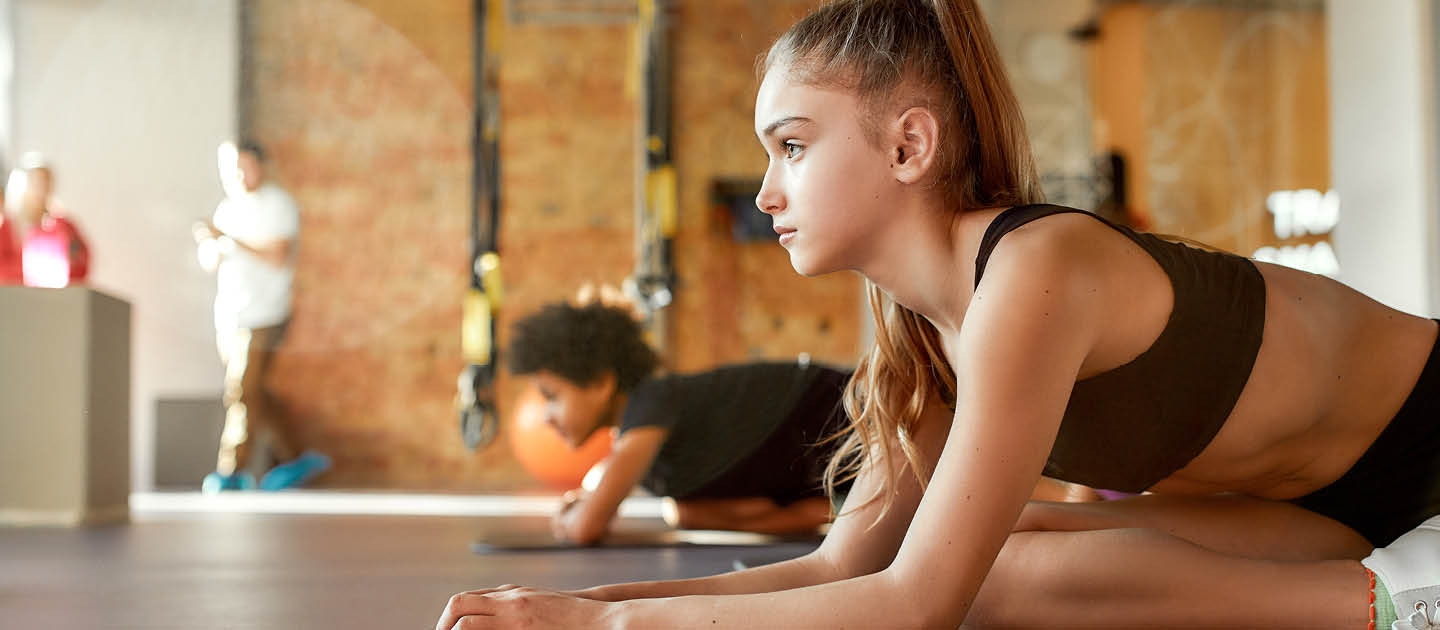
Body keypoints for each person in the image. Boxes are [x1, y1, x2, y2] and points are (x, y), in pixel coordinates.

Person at [436, 1, 1440, 628]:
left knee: (976, 580)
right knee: (1001, 558)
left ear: (908, 146)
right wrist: (576, 608)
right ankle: (1392, 595)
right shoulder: (923, 338)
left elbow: (914, 608)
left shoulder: (1037, 269)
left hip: (1430, 445)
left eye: (791, 146)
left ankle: (1410, 606)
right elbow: (844, 565)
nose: (766, 195)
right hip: (1323, 518)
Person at [513, 288, 1096, 546]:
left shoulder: (653, 401)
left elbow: (591, 525)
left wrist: (575, 516)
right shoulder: (659, 465)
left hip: (838, 406)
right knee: (685, 509)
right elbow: (731, 511)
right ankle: (830, 513)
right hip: (821, 468)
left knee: (956, 454)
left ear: (601, 381)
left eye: (552, 394)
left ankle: (1076, 489)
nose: (547, 416)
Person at [193, 140, 329, 493]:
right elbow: (212, 262)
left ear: (260, 166)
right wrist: (210, 242)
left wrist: (229, 238)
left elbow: (276, 255)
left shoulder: (277, 205)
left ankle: (230, 470)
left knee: (239, 389)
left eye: (244, 166)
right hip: (229, 314)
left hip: (265, 312)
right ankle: (298, 457)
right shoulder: (226, 210)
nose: (238, 174)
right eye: (231, 168)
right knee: (252, 392)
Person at [0, 154, 91, 287]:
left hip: (52, 299)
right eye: (35, 183)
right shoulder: (7, 227)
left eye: (45, 183)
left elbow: (80, 262)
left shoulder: (64, 228)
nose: (40, 190)